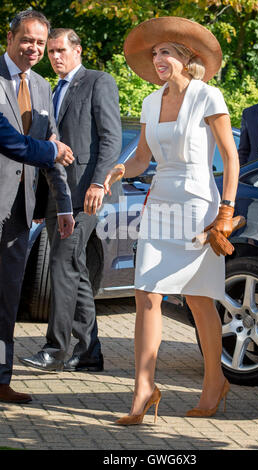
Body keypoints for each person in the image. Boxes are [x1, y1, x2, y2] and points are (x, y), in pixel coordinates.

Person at [103, 17, 240, 425]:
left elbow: (230, 157)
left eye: (165, 52)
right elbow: (143, 158)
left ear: (185, 57)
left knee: (199, 298)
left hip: (199, 204)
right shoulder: (149, 101)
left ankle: (215, 381)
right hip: (160, 202)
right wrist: (118, 169)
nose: (157, 58)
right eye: (154, 53)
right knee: (146, 292)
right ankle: (144, 388)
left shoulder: (207, 96)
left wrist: (227, 211)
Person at [20, 28, 122, 373]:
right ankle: (89, 350)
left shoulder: (98, 81)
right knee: (74, 269)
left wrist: (98, 183)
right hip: (55, 191)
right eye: (50, 52)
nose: (55, 57)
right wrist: (38, 201)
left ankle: (56, 349)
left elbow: (111, 138)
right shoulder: (49, 90)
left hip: (85, 194)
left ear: (78, 50)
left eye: (60, 50)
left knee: (63, 264)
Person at [0, 10, 74, 405]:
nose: (34, 48)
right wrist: (52, 149)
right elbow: (8, 140)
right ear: (10, 37)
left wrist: (63, 206)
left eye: (40, 43)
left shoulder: (44, 86)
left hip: (18, 214)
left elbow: (53, 149)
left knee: (6, 301)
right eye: (27, 40)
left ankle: (0, 378)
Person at [0, 111, 74, 167]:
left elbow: (51, 134)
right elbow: (9, 139)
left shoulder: (44, 91)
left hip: (31, 183)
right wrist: (53, 150)